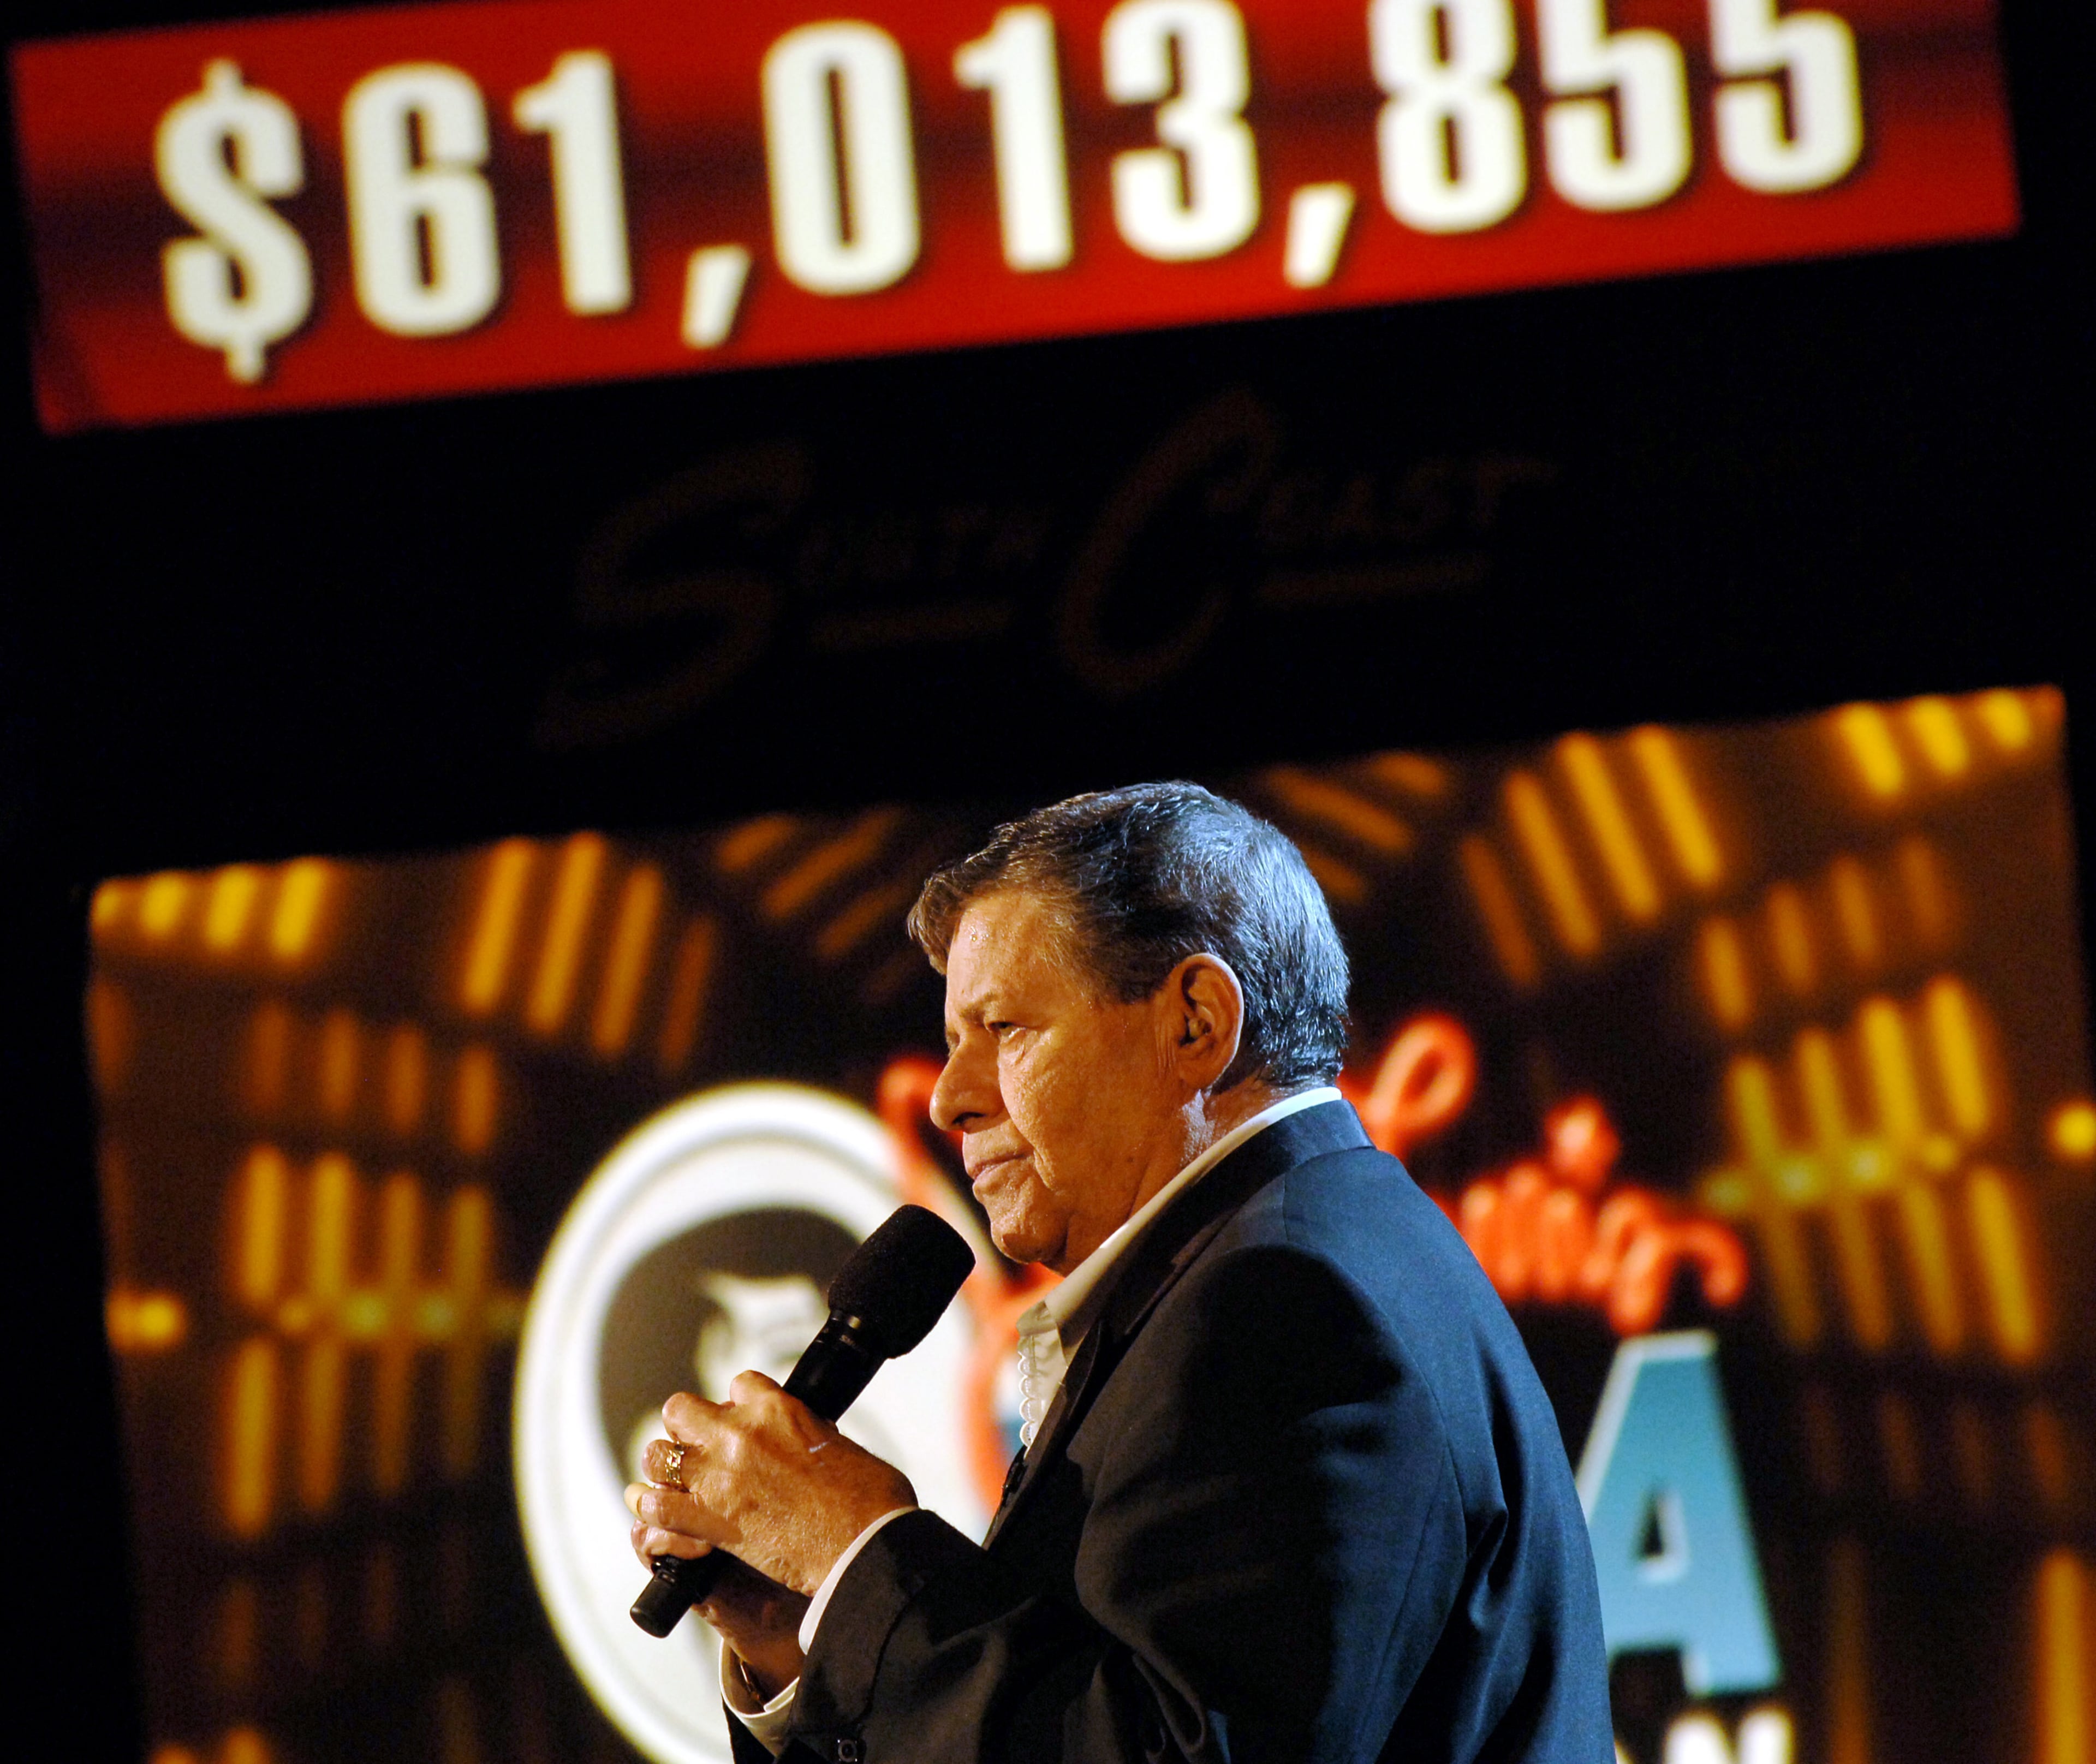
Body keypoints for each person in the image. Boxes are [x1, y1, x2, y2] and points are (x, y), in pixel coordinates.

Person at [626, 783, 1612, 1763]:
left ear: (1194, 1024)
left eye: (1004, 1029)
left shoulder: (1286, 1304)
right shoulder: (1291, 1256)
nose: (950, 1101)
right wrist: (804, 1639)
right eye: (950, 1042)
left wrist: (859, 1559)